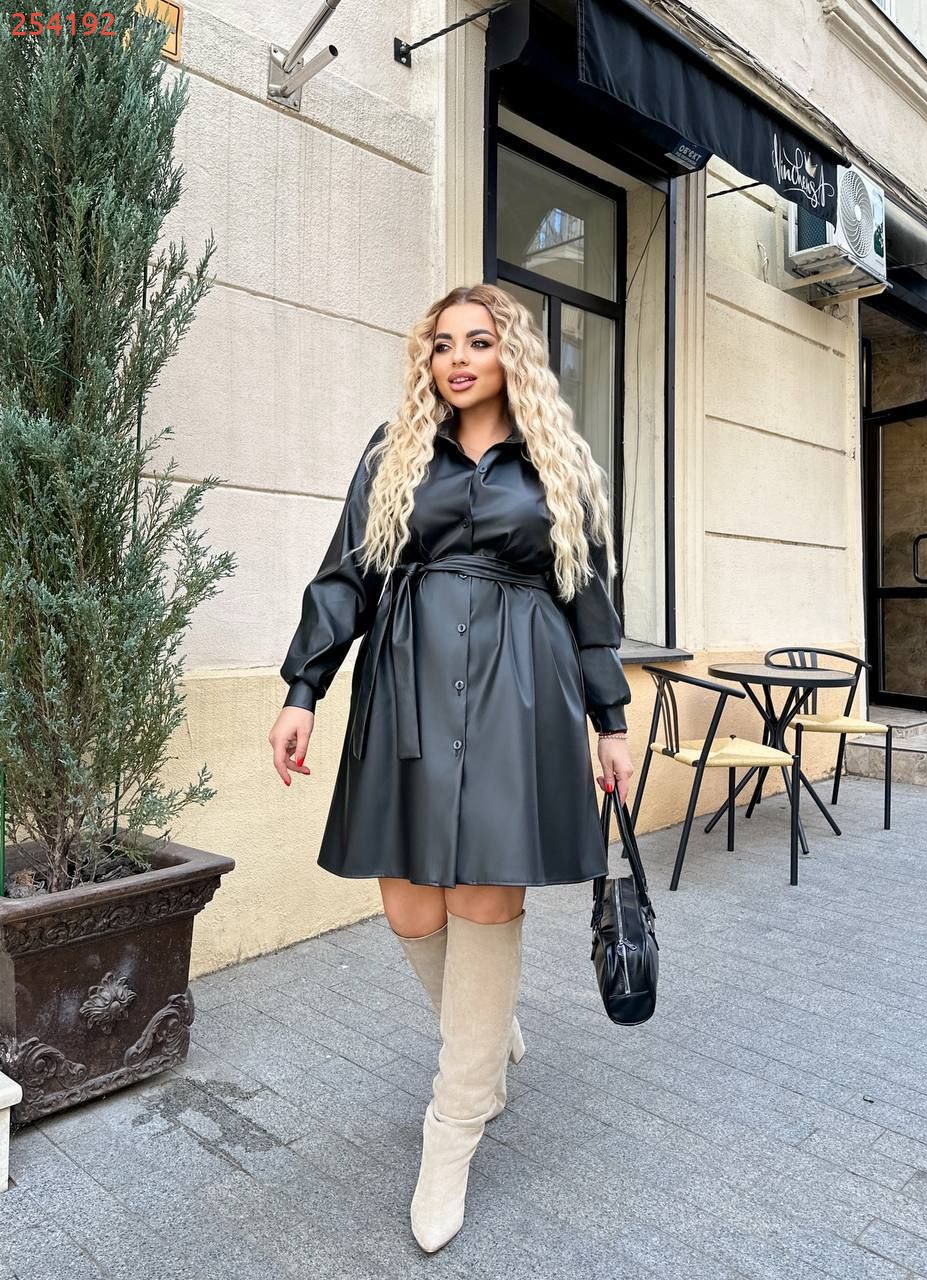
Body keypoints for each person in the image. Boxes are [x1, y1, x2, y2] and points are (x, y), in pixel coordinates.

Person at [268, 283, 633, 1253]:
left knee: (482, 894)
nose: (458, 358)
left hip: (521, 692)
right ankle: (485, 1030)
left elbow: (589, 599)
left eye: (478, 341)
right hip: (408, 688)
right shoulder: (392, 450)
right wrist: (303, 689)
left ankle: (455, 1122)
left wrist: (609, 719)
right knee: (408, 904)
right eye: (442, 344)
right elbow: (345, 576)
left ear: (511, 353)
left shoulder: (559, 462)